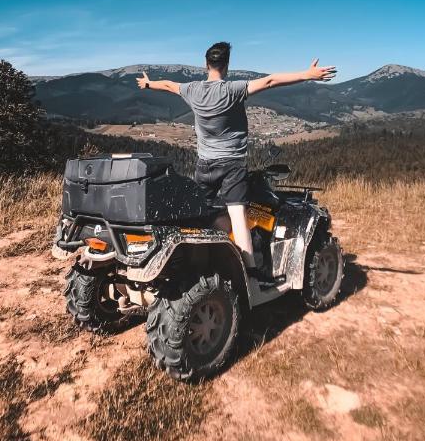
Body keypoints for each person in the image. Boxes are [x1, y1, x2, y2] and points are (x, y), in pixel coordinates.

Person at [136, 41, 336, 280]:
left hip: (204, 165)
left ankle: (202, 258)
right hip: (232, 165)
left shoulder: (192, 90)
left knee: (203, 214)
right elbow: (271, 80)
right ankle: (249, 271)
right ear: (227, 65)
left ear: (205, 64)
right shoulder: (232, 90)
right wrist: (307, 74)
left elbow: (169, 85)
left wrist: (148, 84)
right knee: (239, 217)